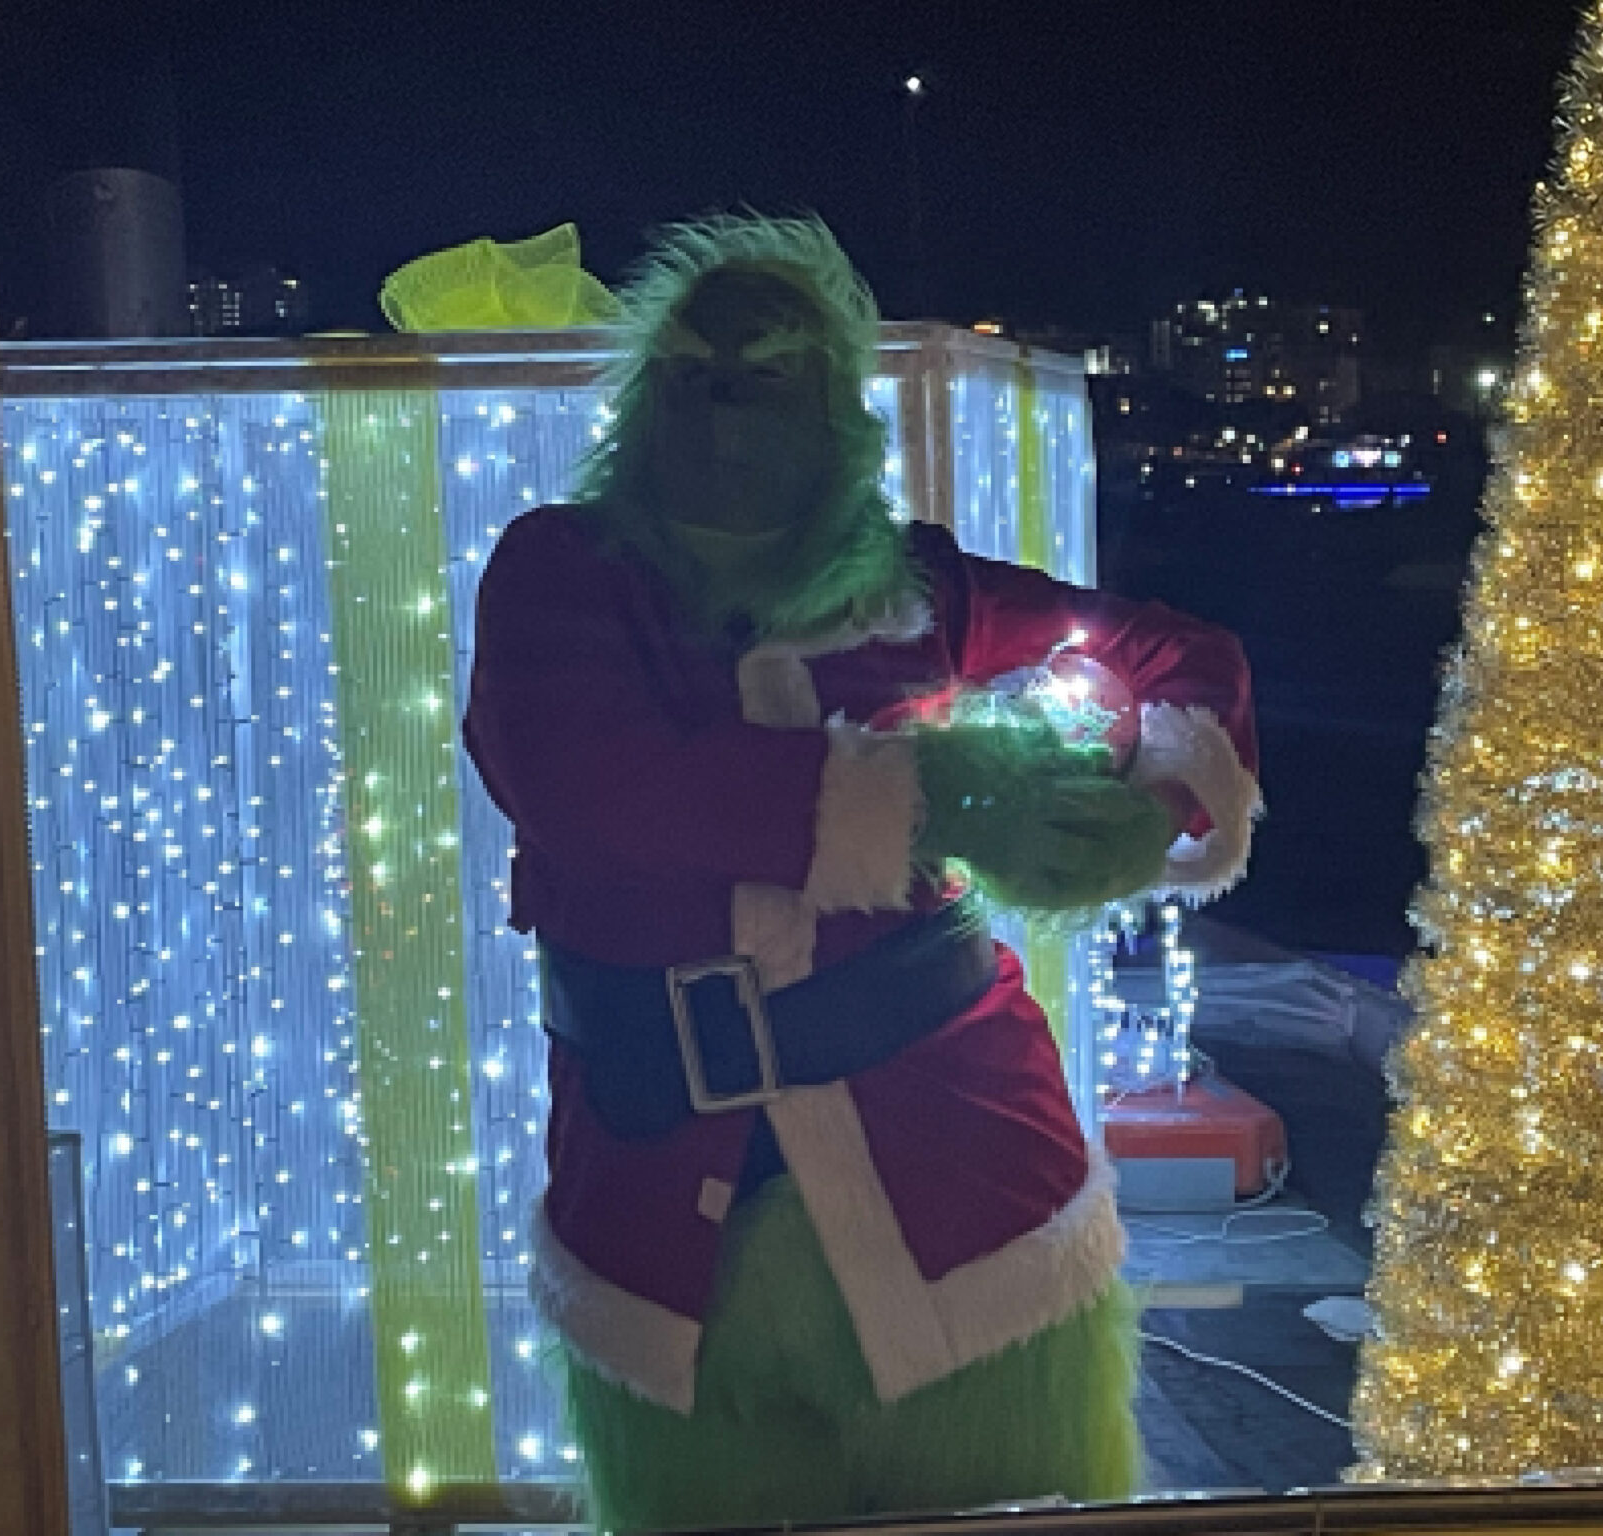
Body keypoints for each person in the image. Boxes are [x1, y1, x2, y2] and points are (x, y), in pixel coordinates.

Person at [463, 214, 1260, 1532]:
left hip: (974, 1206)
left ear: (831, 402)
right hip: (662, 1224)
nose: (728, 418)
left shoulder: (926, 590)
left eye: (769, 376)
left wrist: (1140, 800)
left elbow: (1187, 659)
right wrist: (940, 794)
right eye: (698, 376)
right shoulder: (558, 577)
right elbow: (590, 790)